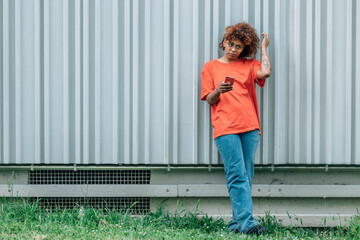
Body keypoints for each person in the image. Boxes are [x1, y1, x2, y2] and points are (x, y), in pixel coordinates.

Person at [200, 22, 271, 236]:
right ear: (224, 42)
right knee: (236, 175)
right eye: (231, 44)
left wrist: (264, 48)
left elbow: (265, 73)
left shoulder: (249, 65)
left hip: (250, 127)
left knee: (245, 175)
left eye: (238, 46)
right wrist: (218, 90)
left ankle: (236, 224)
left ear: (244, 49)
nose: (233, 49)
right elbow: (209, 100)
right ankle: (248, 223)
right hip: (225, 128)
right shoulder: (210, 67)